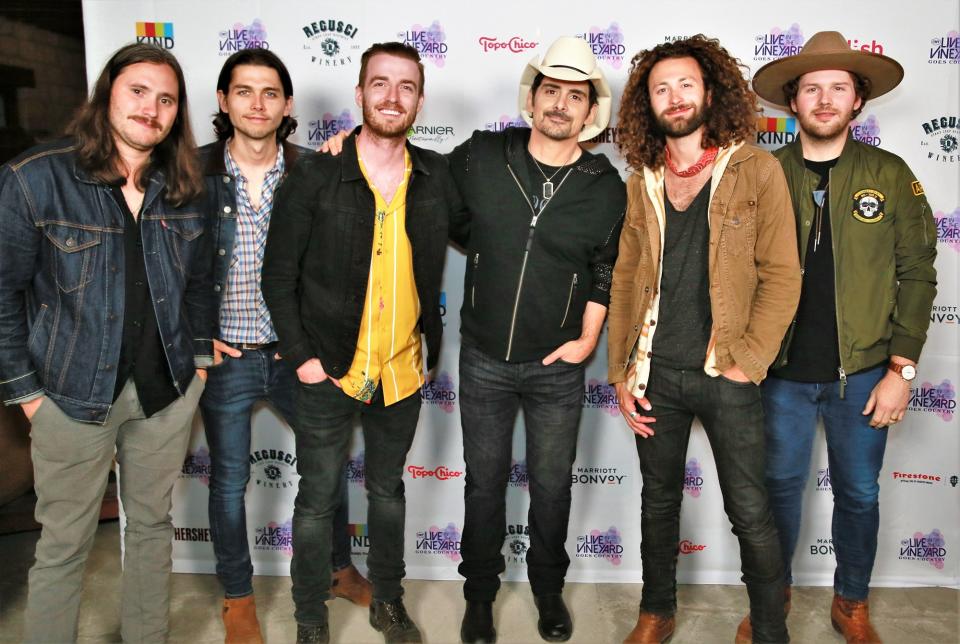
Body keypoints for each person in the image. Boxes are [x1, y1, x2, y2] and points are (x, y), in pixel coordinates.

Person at [0, 43, 213, 642]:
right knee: (64, 545)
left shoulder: (185, 186)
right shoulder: (34, 179)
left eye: (166, 99)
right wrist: (28, 396)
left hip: (164, 395)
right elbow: (3, 297)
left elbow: (200, 285)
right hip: (67, 397)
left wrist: (197, 367)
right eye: (138, 91)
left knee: (151, 527)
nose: (152, 108)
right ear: (106, 94)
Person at [261, 42, 462, 644]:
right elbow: (278, 275)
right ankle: (309, 617)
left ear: (420, 100)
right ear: (360, 94)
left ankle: (389, 603)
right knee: (318, 500)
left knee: (388, 493)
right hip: (329, 369)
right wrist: (302, 359)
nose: (392, 96)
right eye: (380, 83)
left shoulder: (437, 178)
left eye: (406, 86)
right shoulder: (317, 174)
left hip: (402, 371)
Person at [607, 35, 801, 644]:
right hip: (655, 374)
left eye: (685, 84)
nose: (674, 96)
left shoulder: (756, 170)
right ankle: (656, 612)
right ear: (648, 104)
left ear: (709, 92)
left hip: (727, 371)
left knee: (749, 509)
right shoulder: (643, 178)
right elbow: (626, 275)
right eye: (661, 88)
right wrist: (620, 372)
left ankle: (770, 627)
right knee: (658, 503)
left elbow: (782, 274)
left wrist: (749, 360)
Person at [748, 31, 938, 644]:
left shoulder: (890, 173)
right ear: (792, 102)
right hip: (778, 377)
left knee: (858, 494)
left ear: (858, 101)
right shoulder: (763, 173)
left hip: (864, 374)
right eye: (811, 89)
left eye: (838, 88)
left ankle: (850, 601)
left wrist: (901, 370)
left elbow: (917, 275)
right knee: (775, 494)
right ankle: (770, 600)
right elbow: (730, 276)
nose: (824, 99)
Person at [449, 36, 625, 644]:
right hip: (483, 359)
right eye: (551, 90)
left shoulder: (605, 183)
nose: (560, 104)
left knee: (552, 485)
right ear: (533, 98)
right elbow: (433, 203)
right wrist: (352, 146)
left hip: (558, 368)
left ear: (589, 113)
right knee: (483, 483)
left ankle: (550, 591)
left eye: (575, 96)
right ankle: (479, 598)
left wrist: (586, 341)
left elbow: (607, 266)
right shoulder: (480, 155)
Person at [198, 48, 370, 644]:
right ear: (223, 101)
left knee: (328, 465)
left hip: (295, 351)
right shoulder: (192, 172)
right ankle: (238, 597)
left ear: (288, 104)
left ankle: (337, 569)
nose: (257, 103)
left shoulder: (311, 169)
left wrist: (351, 149)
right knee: (227, 481)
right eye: (243, 91)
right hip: (225, 359)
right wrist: (198, 333)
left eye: (270, 93)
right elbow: (167, 266)